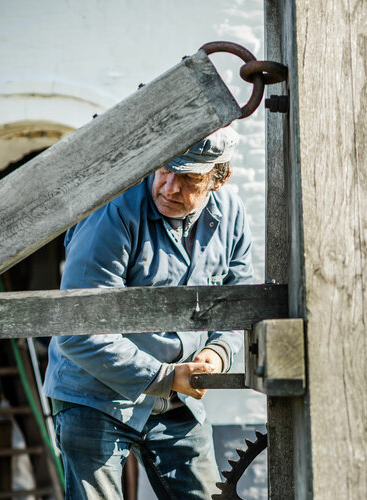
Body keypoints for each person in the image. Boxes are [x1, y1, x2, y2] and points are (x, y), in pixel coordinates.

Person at [43, 127, 252, 499]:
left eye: (189, 178)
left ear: (221, 178)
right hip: (95, 394)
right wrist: (165, 375)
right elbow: (77, 330)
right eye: (164, 170)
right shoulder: (112, 213)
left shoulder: (231, 216)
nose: (170, 187)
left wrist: (218, 353)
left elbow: (239, 305)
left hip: (177, 399)